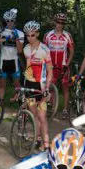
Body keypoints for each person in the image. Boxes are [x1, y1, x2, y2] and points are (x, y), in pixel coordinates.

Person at [22, 20, 53, 152]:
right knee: (34, 115)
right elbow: (28, 68)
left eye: (33, 35)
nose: (30, 38)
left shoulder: (45, 50)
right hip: (29, 84)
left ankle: (46, 145)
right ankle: (38, 138)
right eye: (28, 35)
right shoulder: (26, 49)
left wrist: (47, 88)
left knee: (42, 116)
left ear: (38, 34)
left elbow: (50, 70)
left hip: (41, 85)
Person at [0, 8, 24, 111]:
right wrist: (5, 38)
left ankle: (21, 106)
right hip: (3, 61)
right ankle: (0, 105)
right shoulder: (1, 31)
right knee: (1, 84)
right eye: (8, 21)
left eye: (12, 21)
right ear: (5, 21)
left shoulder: (20, 33)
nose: (10, 23)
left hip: (14, 61)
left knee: (17, 85)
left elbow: (19, 50)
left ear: (15, 21)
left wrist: (16, 38)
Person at [44, 12, 75, 118]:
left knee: (65, 87)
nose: (60, 24)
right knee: (51, 87)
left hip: (63, 66)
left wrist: (67, 63)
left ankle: (65, 110)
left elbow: (71, 51)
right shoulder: (48, 35)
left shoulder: (67, 35)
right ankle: (53, 109)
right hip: (51, 66)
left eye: (62, 22)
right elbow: (44, 50)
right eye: (58, 22)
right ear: (54, 22)